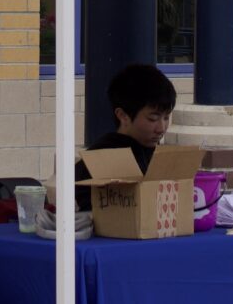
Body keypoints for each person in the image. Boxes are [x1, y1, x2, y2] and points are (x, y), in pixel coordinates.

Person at [73, 63, 176, 211]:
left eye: (166, 118)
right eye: (152, 119)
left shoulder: (158, 155)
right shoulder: (101, 157)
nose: (161, 128)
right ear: (123, 116)